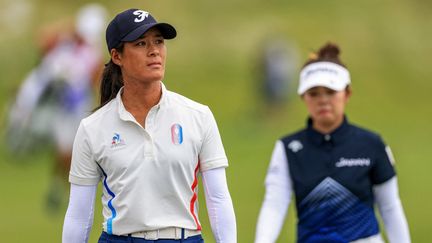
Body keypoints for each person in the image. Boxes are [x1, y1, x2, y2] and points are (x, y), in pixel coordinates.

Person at [62, 8, 237, 243]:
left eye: (159, 42)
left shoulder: (198, 116)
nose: (154, 51)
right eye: (141, 44)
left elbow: (219, 199)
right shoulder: (92, 128)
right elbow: (79, 215)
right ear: (117, 56)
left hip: (184, 238)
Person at [254, 42, 411, 243]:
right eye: (314, 93)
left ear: (347, 94)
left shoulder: (371, 144)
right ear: (303, 97)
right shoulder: (288, 148)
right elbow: (274, 205)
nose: (323, 100)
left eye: (330, 91)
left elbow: (389, 207)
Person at [6, 4, 106, 212]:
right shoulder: (62, 41)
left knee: (65, 152)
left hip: (71, 107)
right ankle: (19, 146)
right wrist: (65, 30)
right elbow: (41, 41)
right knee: (21, 118)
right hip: (44, 97)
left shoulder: (94, 55)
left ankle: (58, 187)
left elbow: (94, 84)